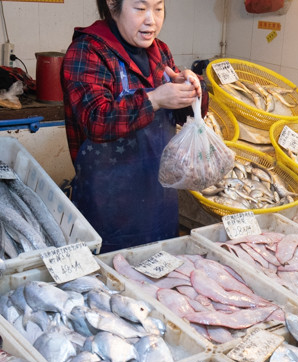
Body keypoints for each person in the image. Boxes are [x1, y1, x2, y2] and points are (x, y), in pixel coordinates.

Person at [62, 0, 205, 252]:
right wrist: (156, 99)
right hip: (107, 212)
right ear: (112, 5)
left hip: (161, 204)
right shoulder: (88, 51)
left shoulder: (160, 50)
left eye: (158, 8)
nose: (152, 20)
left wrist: (192, 89)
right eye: (140, 9)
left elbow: (183, 117)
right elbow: (96, 120)